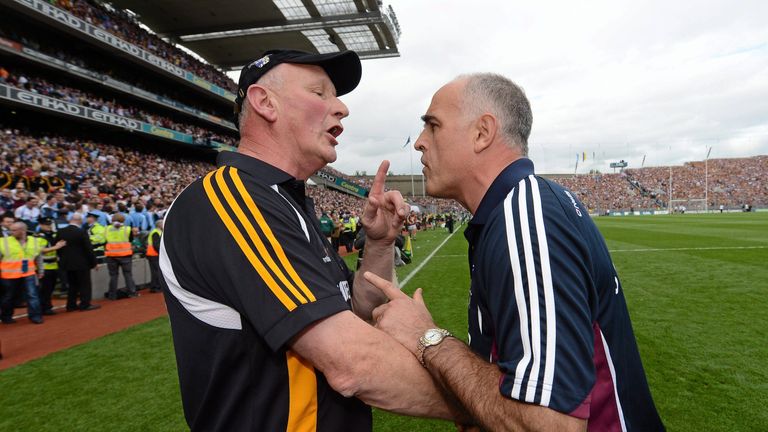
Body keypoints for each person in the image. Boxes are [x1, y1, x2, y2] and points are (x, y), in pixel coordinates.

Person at [160, 49, 461, 431]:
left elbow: (352, 317)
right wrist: (483, 406)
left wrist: (380, 245)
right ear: (264, 102)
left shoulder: (283, 200)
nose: (342, 108)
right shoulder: (232, 198)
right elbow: (353, 362)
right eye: (320, 94)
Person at [366, 73, 665, 431]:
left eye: (433, 126)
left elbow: (549, 425)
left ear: (482, 132)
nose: (419, 143)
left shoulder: (524, 213)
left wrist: (428, 339)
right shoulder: (510, 211)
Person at [0, 222, 44, 324]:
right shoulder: (3, 242)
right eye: (11, 230)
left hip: (28, 273)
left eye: (14, 230)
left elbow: (39, 257)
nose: (11, 232)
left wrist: (41, 271)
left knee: (32, 295)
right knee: (8, 296)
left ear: (22, 231)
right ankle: (6, 316)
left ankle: (35, 316)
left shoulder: (34, 241)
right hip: (9, 275)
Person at [56, 213, 99, 311]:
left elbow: (58, 246)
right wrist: (94, 262)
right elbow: (88, 248)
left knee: (72, 284)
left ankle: (71, 305)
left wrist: (63, 257)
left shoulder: (61, 231)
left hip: (67, 263)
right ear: (79, 221)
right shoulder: (81, 232)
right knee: (85, 284)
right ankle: (85, 304)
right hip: (82, 263)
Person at [36, 217, 66, 315]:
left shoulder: (52, 235)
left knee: (50, 289)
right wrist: (56, 247)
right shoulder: (38, 236)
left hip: (53, 265)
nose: (48, 226)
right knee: (44, 289)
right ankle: (44, 308)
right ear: (40, 225)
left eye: (49, 224)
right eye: (46, 224)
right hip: (44, 267)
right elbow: (40, 250)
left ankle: (47, 306)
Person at [104, 213, 136, 299]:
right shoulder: (127, 229)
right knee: (128, 275)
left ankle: (112, 295)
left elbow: (104, 240)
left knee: (113, 276)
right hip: (125, 255)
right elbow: (131, 239)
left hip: (111, 255)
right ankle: (132, 293)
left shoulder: (107, 229)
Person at [145, 219, 162, 293]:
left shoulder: (157, 231)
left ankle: (155, 286)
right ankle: (155, 287)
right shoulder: (156, 232)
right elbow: (156, 245)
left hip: (153, 254)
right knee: (156, 271)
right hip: (154, 254)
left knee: (156, 271)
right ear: (160, 225)